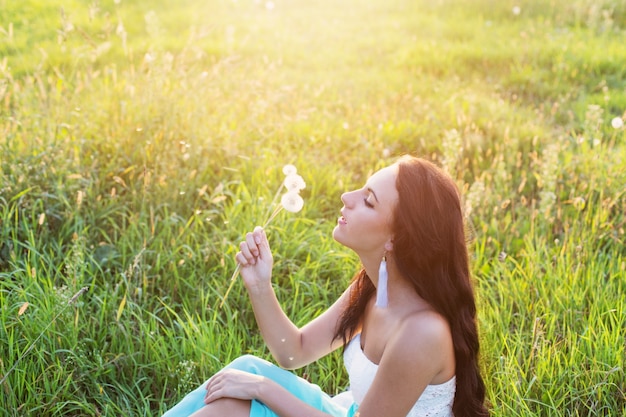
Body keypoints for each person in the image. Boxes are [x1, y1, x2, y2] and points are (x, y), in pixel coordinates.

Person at [162, 155, 489, 417]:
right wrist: (260, 284)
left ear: (397, 237)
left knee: (241, 395)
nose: (347, 198)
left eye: (369, 201)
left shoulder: (422, 333)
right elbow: (295, 351)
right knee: (243, 374)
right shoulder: (372, 291)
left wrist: (263, 389)